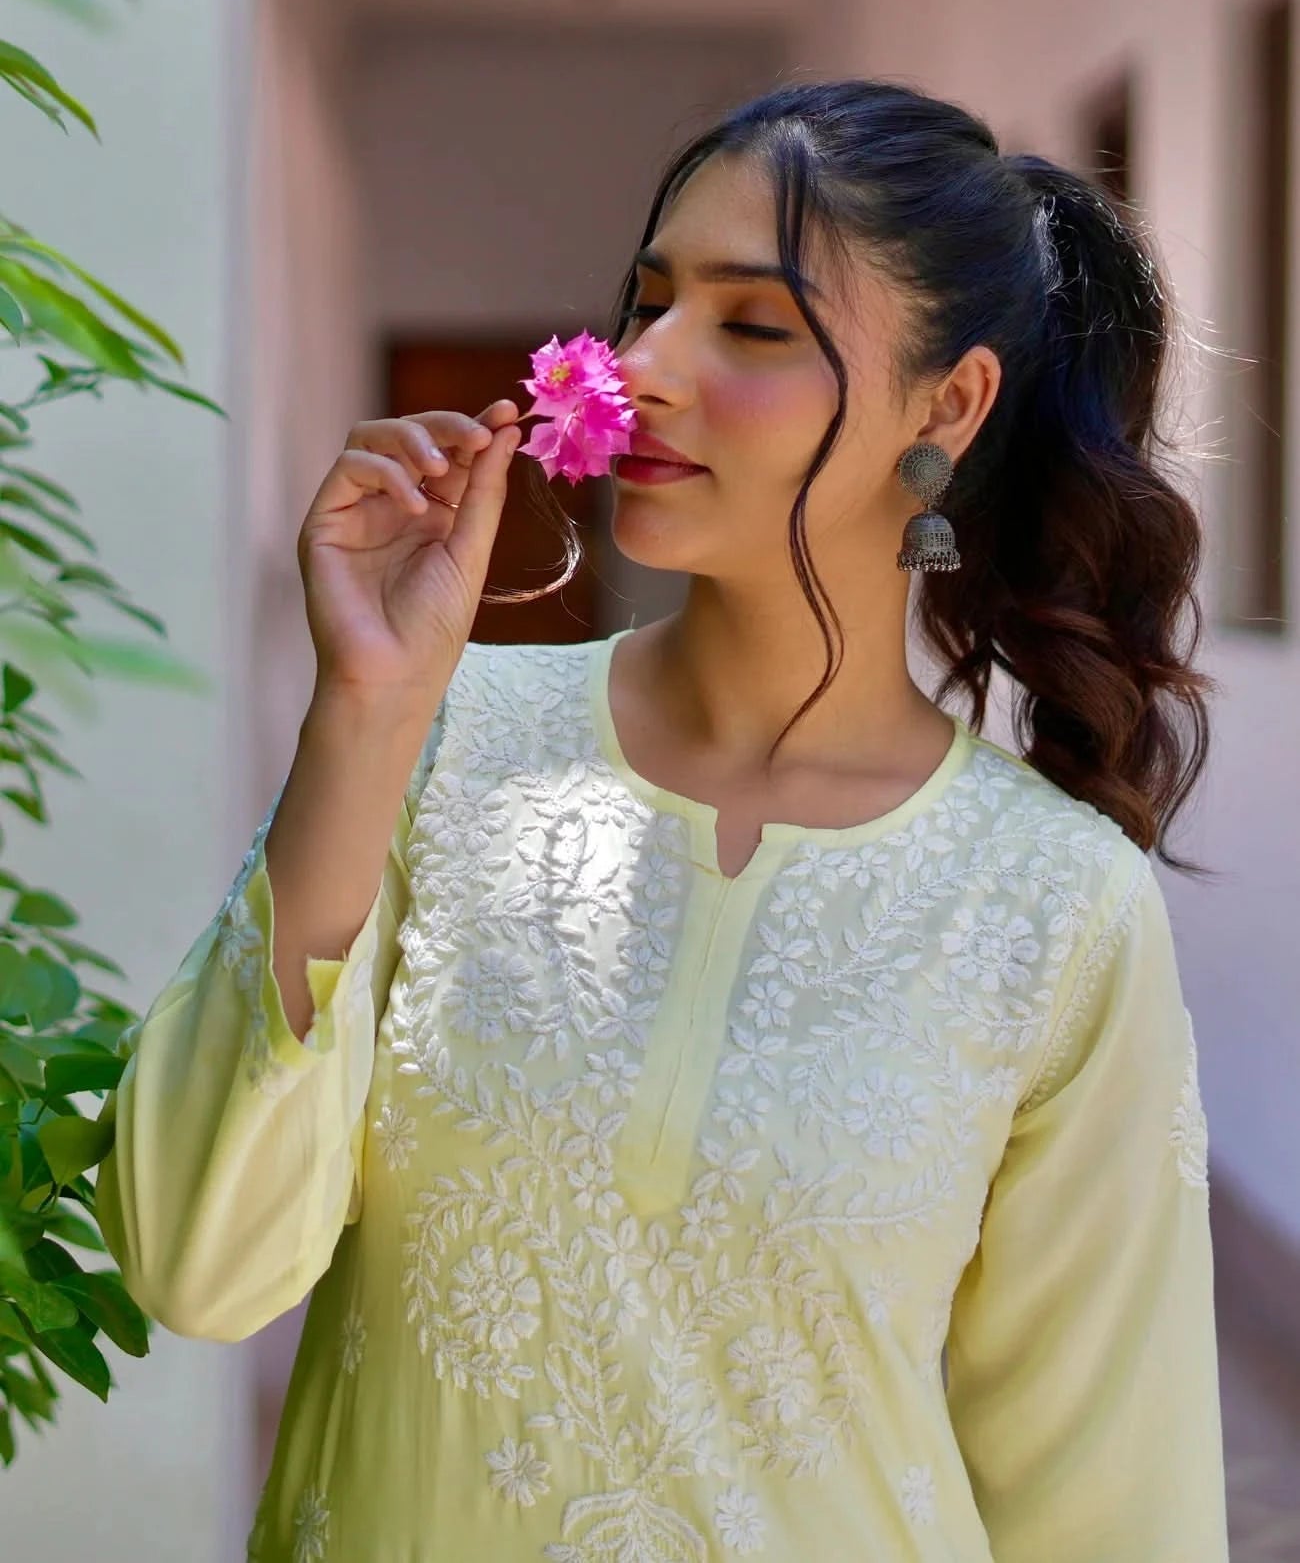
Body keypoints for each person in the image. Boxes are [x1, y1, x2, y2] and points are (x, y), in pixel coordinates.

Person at [94, 78, 1230, 1562]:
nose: (641, 367)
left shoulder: (1057, 907)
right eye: (642, 306)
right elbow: (191, 1259)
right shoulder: (436, 751)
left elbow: (1112, 1510)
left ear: (947, 407)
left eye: (751, 326)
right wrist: (362, 714)